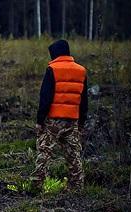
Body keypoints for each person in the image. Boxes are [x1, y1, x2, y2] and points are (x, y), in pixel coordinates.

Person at [34, 39, 88, 192]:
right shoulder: (81, 71)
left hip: (53, 120)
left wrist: (40, 120)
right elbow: (84, 100)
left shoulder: (52, 69)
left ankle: (37, 185)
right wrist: (82, 121)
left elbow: (45, 97)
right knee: (74, 154)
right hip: (72, 120)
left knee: (44, 152)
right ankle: (77, 186)